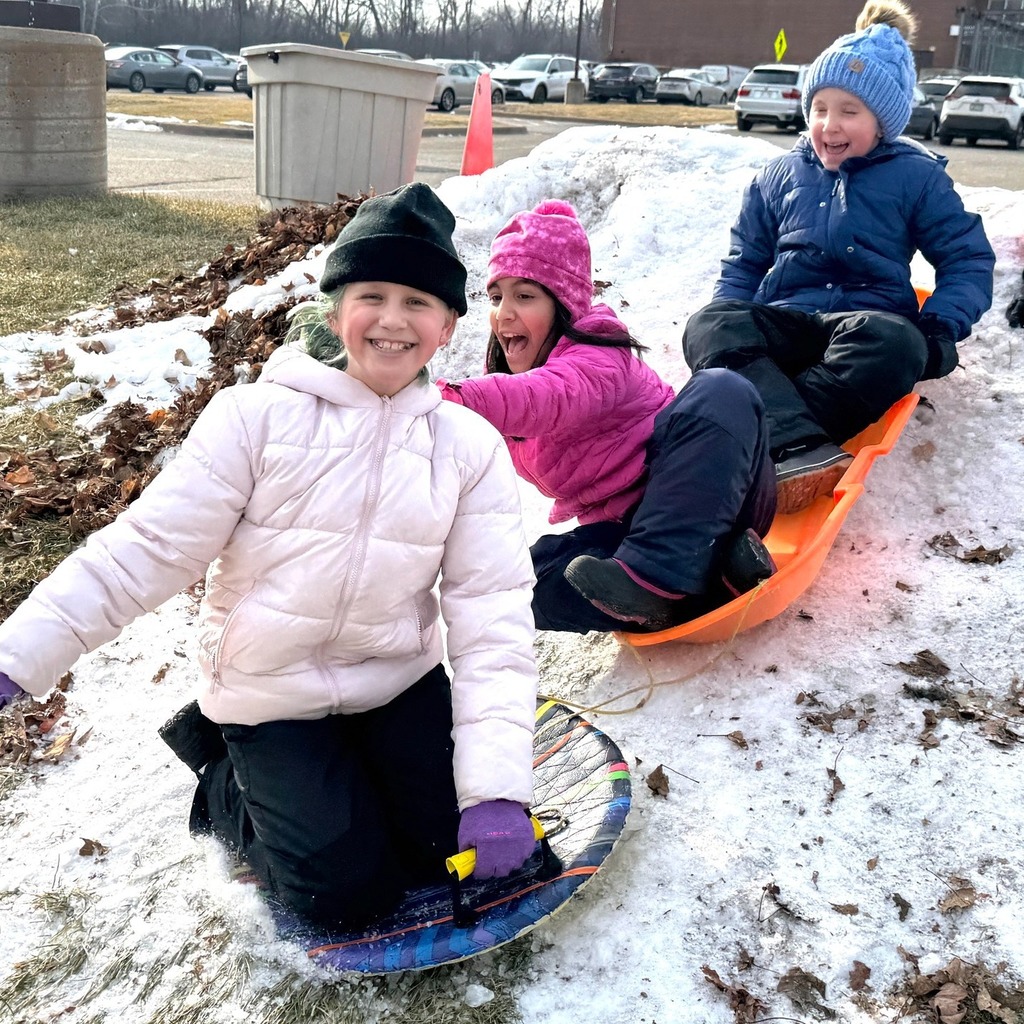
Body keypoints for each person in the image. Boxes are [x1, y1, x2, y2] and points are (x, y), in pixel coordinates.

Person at [0, 183, 540, 930]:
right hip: (272, 694)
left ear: (448, 325)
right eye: (371, 294)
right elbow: (144, 552)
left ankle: (355, 784)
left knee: (446, 854)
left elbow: (493, 616)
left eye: (418, 301)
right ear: (333, 310)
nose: (392, 319)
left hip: (395, 681)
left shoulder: (466, 448)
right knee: (343, 900)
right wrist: (18, 656)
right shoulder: (253, 420)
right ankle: (224, 775)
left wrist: (496, 792)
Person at [682, 0, 995, 515]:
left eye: (849, 111)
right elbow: (744, 265)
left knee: (897, 343)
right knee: (708, 323)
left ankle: (772, 441)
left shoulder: (916, 178)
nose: (829, 124)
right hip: (786, 322)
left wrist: (940, 328)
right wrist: (730, 333)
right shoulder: (777, 177)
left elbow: (967, 259)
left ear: (883, 121)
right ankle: (793, 445)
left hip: (863, 327)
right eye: (820, 108)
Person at [438, 200, 778, 635]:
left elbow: (547, 397)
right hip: (626, 534)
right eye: (496, 296)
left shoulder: (598, 357)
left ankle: (659, 579)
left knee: (721, 389)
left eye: (524, 296)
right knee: (518, 583)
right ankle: (710, 579)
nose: (504, 312)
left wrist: (440, 398)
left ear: (563, 306)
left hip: (717, 496)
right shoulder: (509, 383)